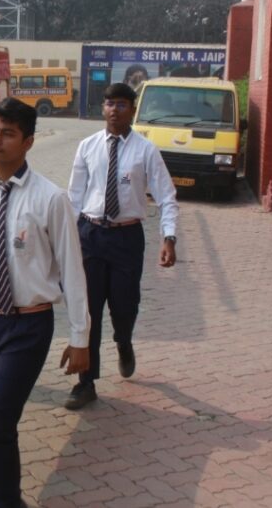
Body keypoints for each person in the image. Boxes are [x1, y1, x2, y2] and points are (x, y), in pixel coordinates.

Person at [0, 97, 90, 508]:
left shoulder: (50, 199)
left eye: (7, 134)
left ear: (28, 142)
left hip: (27, 327)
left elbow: (73, 271)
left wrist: (80, 338)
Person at [65, 82, 178, 411]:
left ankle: (124, 341)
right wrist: (67, 240)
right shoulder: (87, 146)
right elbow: (74, 197)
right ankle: (86, 382)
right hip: (90, 235)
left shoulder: (146, 151)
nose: (114, 110)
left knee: (124, 306)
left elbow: (166, 196)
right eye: (110, 104)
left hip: (127, 238)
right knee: (89, 311)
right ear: (103, 108)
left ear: (133, 110)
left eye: (122, 105)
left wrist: (169, 237)